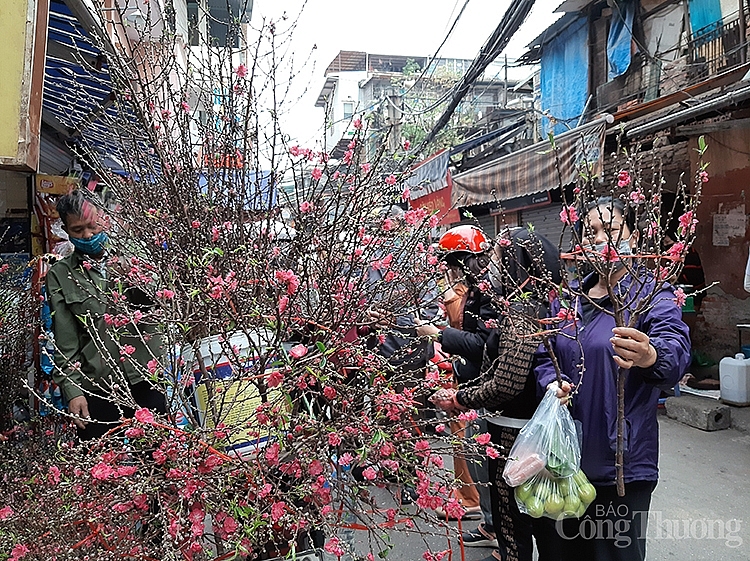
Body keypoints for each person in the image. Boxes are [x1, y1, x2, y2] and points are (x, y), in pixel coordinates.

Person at [535, 197, 691, 561]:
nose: (600, 240)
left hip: (622, 463)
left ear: (633, 237)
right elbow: (547, 353)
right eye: (591, 232)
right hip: (566, 461)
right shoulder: (570, 299)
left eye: (611, 230)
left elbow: (674, 350)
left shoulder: (651, 296)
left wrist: (651, 355)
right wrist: (550, 381)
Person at [431, 227, 564, 561]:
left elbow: (505, 382)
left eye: (499, 258)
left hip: (516, 434)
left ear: (517, 265)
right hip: (536, 431)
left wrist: (461, 398)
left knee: (514, 525)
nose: (492, 265)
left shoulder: (523, 314)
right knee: (546, 523)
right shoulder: (550, 305)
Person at [47, 189, 166, 440]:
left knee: (159, 456)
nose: (87, 235)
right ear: (67, 231)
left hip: (146, 376)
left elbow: (160, 300)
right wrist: (73, 390)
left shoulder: (136, 254)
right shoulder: (60, 274)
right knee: (100, 462)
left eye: (92, 226)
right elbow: (65, 339)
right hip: (98, 384)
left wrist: (134, 277)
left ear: (105, 219)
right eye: (77, 230)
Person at [416, 224, 498, 547]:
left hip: (486, 388)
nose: (449, 271)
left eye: (452, 264)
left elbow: (480, 343)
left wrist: (437, 335)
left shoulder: (485, 294)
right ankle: (491, 523)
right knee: (478, 457)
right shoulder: (475, 289)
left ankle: (492, 521)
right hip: (472, 382)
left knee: (483, 458)